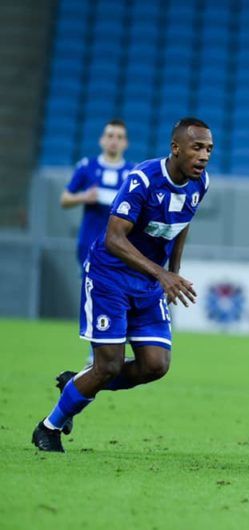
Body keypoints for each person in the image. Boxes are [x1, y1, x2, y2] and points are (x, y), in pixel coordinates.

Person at [32, 117, 214, 452]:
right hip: (110, 277)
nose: (204, 156)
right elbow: (114, 239)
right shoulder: (143, 179)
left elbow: (183, 220)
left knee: (155, 365)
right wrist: (162, 274)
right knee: (109, 365)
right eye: (197, 148)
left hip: (148, 282)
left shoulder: (200, 183)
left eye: (208, 149)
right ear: (176, 148)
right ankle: (49, 426)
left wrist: (174, 269)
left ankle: (78, 383)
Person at [61, 119, 134, 267]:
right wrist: (84, 197)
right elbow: (64, 199)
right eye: (110, 135)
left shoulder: (133, 173)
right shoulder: (87, 166)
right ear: (102, 140)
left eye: (119, 137)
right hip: (89, 241)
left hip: (121, 246)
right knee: (90, 287)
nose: (114, 141)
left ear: (126, 143)